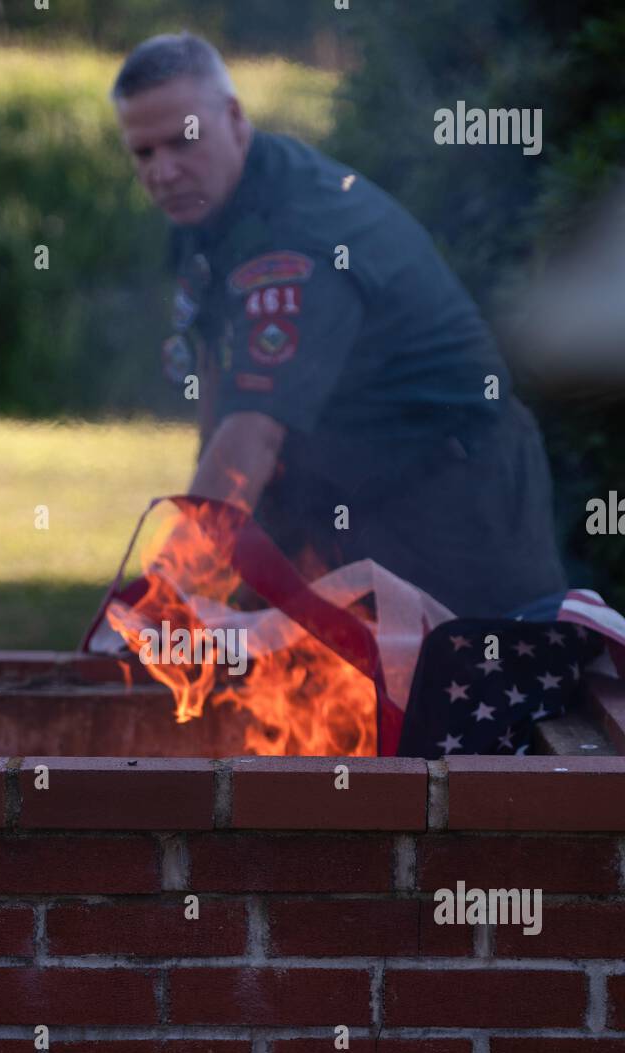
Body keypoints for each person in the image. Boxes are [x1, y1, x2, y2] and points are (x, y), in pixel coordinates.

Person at [110, 32, 570, 621]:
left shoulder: (299, 234)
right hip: (333, 490)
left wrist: (168, 589)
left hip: (451, 491)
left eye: (181, 141)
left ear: (233, 116)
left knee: (470, 690)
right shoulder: (204, 212)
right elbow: (218, 385)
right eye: (142, 153)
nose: (163, 171)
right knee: (282, 683)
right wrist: (203, 557)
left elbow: (255, 431)